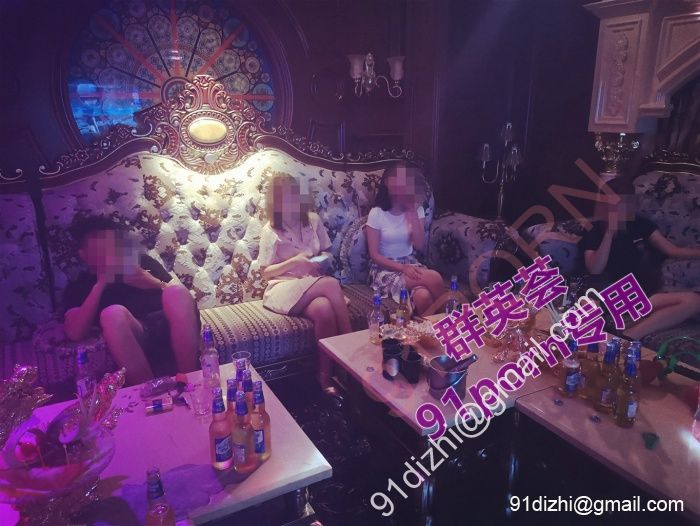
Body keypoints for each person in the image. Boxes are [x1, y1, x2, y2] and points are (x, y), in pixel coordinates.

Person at [63, 217, 200, 385]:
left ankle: (190, 381)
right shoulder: (80, 286)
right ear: (83, 254)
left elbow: (183, 297)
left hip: (170, 324)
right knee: (112, 314)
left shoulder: (142, 262)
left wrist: (152, 282)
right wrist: (100, 284)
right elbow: (75, 332)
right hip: (136, 334)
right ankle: (150, 391)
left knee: (176, 291)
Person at [258, 173, 351, 387]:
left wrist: (320, 260)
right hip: (282, 287)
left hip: (311, 283)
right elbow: (265, 272)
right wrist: (293, 262)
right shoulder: (270, 230)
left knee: (323, 309)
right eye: (283, 198)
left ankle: (325, 376)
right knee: (331, 283)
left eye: (293, 195)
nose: (290, 202)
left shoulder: (313, 220)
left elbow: (327, 251)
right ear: (276, 202)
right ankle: (350, 350)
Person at [579, 179, 700, 340]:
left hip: (641, 294)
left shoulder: (640, 224)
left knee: (693, 301)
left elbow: (672, 250)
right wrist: (609, 233)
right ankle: (628, 336)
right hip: (610, 296)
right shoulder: (595, 230)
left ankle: (628, 336)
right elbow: (595, 269)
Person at [366, 162, 452, 315]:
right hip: (385, 270)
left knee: (423, 297)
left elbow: (418, 245)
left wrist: (411, 210)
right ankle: (452, 322)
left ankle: (431, 330)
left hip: (410, 262)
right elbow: (374, 255)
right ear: (388, 184)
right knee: (434, 278)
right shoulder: (377, 213)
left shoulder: (417, 210)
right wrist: (402, 268)